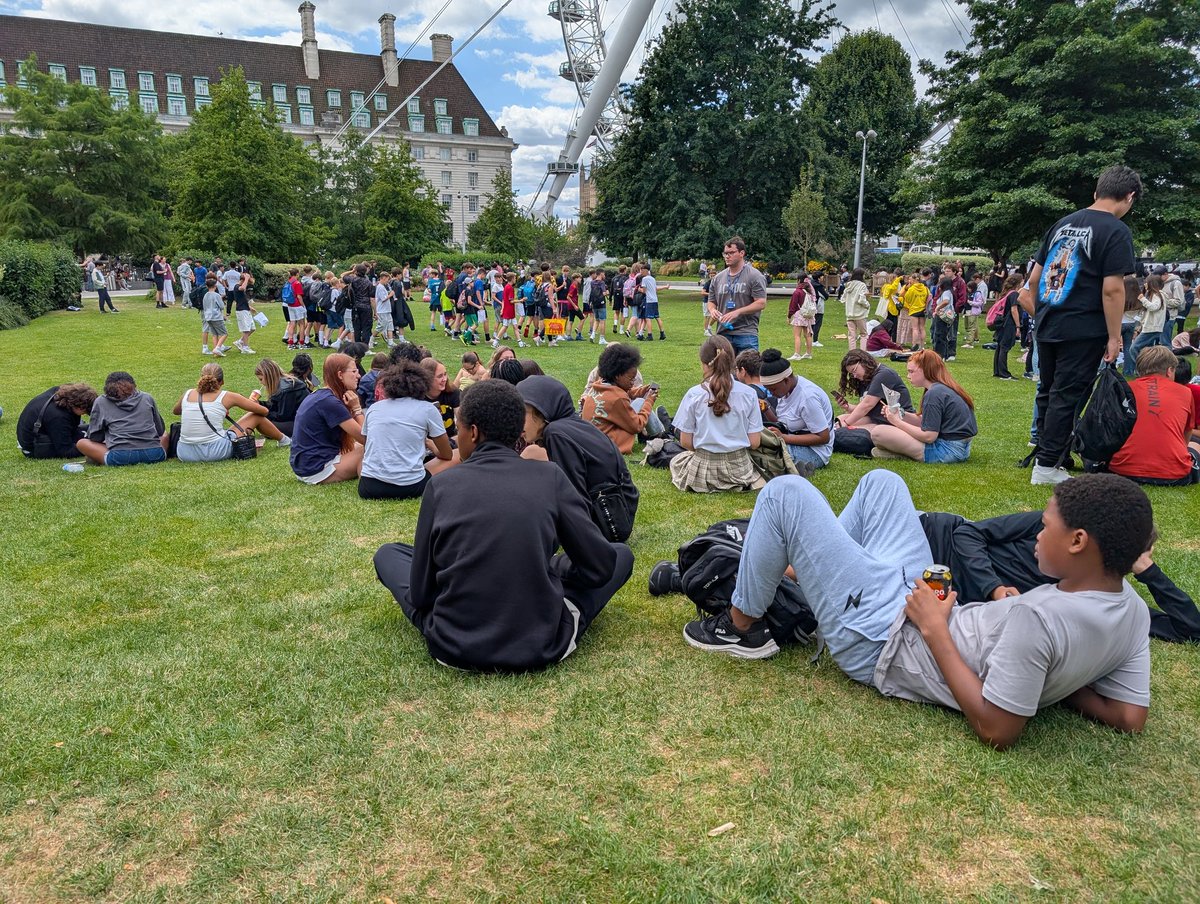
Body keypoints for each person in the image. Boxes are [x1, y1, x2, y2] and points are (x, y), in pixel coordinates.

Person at [684, 470, 1155, 750]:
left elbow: (998, 728)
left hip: (887, 638)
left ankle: (739, 627)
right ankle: (802, 573)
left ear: (1078, 542)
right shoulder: (1133, 611)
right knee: (881, 483)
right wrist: (1052, 678)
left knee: (787, 493)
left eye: (1045, 525)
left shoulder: (1038, 619)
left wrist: (935, 629)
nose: (1037, 533)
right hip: (925, 600)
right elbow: (1129, 717)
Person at [373, 380, 635, 672]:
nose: (457, 439)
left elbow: (421, 595)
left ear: (473, 432)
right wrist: (556, 569)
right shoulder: (550, 476)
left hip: (453, 644)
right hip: (542, 642)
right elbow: (599, 566)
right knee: (620, 555)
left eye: (458, 430)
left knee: (388, 555)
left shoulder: (441, 485)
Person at [1019, 165, 1140, 485]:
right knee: (1067, 395)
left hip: (1049, 322)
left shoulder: (1062, 223)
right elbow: (1113, 289)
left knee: (1048, 391)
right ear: (1129, 197)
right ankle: (1046, 468)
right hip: (1083, 326)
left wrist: (1041, 314)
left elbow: (1033, 279)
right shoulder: (1115, 231)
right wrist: (1115, 337)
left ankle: (1052, 457)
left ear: (1096, 192)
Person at [919, 508, 1200, 643]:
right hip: (931, 536)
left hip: (932, 586)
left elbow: (1190, 629)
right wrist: (994, 589)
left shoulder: (1092, 597)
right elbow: (967, 533)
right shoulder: (1054, 527)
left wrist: (1149, 572)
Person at [518, 375, 640, 539]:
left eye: (522, 413)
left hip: (608, 523)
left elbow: (573, 497)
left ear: (541, 411)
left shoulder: (556, 433)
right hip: (617, 511)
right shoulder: (570, 425)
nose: (516, 422)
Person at [666, 336, 765, 493]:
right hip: (739, 469)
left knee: (677, 461)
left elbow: (686, 443)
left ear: (705, 364)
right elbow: (754, 443)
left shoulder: (694, 394)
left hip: (704, 469)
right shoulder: (749, 394)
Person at [358, 361, 455, 499]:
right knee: (457, 455)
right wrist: (428, 443)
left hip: (369, 487)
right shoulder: (427, 409)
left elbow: (368, 448)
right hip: (411, 486)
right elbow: (447, 455)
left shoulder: (374, 408)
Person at [1107, 347, 1200, 485]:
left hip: (1122, 469)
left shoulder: (1125, 388)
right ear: (1169, 370)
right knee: (1195, 443)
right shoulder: (1184, 392)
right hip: (1174, 474)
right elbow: (1187, 432)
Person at [869, 350, 977, 463]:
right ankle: (900, 453)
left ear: (925, 370)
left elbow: (929, 436)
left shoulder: (934, 393)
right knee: (883, 434)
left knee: (878, 433)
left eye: (911, 371)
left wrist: (897, 422)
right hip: (961, 449)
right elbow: (927, 422)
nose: (908, 376)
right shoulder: (943, 388)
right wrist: (900, 414)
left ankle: (904, 454)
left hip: (946, 451)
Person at [172, 363, 280, 462]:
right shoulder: (228, 396)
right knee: (255, 416)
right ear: (222, 382)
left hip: (185, 453)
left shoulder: (188, 393)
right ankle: (284, 440)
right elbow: (264, 411)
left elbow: (176, 411)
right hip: (215, 452)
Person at [289, 353, 364, 485]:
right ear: (340, 375)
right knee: (370, 449)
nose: (358, 375)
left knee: (360, 446)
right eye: (354, 371)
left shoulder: (322, 396)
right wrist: (357, 409)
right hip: (316, 470)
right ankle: (371, 482)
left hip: (306, 465)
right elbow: (366, 438)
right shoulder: (330, 402)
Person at [756, 349, 833, 473]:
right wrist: (766, 409)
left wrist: (783, 438)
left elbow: (823, 437)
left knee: (764, 452)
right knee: (755, 443)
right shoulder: (785, 390)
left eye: (773, 389)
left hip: (815, 452)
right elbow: (784, 425)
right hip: (793, 442)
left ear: (786, 380)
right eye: (768, 389)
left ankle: (797, 466)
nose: (771, 393)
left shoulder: (807, 397)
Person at [580, 342, 662, 454]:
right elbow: (637, 426)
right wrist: (649, 401)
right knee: (641, 402)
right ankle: (660, 434)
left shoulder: (600, 385)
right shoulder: (618, 398)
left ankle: (659, 432)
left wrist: (644, 390)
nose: (633, 382)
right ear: (617, 375)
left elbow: (628, 392)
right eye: (631, 379)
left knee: (639, 401)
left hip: (594, 440)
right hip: (610, 444)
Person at [75, 372, 168, 466]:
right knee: (165, 435)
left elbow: (95, 437)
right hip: (155, 454)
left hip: (119, 457)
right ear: (134, 385)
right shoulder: (147, 397)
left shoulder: (101, 401)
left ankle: (99, 457)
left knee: (82, 443)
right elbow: (160, 430)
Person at [706, 236, 769, 353]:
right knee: (724, 370)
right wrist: (712, 311)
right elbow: (711, 301)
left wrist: (738, 312)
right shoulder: (718, 278)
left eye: (731, 252)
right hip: (723, 333)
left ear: (742, 253)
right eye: (725, 253)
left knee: (749, 370)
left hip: (746, 333)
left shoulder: (754, 276)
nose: (727, 256)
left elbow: (761, 303)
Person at [833, 350, 915, 440]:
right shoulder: (865, 378)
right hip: (878, 419)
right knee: (840, 419)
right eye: (851, 374)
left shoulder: (884, 374)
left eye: (854, 370)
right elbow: (867, 408)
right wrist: (848, 407)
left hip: (898, 421)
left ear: (864, 362)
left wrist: (846, 424)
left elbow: (867, 405)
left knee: (850, 431)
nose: (854, 376)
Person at [17, 383, 98, 458]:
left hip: (40, 431)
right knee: (89, 442)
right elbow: (66, 451)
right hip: (34, 447)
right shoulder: (59, 417)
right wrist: (93, 450)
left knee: (89, 431)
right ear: (79, 407)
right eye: (84, 412)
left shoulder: (59, 392)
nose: (84, 414)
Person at [248, 357, 306, 441]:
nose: (261, 382)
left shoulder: (286, 389)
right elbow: (274, 405)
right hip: (295, 420)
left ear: (268, 376)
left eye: (261, 379)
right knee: (260, 419)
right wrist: (259, 404)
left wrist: (263, 412)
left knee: (262, 423)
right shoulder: (282, 384)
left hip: (302, 424)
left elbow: (282, 416)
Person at [1128, 273, 1168, 371]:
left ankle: (1141, 369)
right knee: (1148, 351)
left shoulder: (1158, 295)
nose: (1145, 284)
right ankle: (1150, 369)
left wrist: (1143, 299)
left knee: (1133, 348)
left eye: (1146, 282)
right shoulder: (1154, 295)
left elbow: (1154, 307)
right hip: (1150, 327)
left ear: (1151, 284)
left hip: (1152, 328)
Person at [419, 357, 460, 444]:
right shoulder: (417, 398)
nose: (444, 379)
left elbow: (462, 422)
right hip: (427, 443)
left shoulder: (453, 392)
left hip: (451, 439)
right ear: (427, 379)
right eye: (440, 376)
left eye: (445, 374)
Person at [992, 274, 1023, 379]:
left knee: (1000, 347)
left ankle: (997, 370)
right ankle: (1004, 373)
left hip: (1002, 323)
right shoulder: (1014, 294)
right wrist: (1018, 326)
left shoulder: (1006, 293)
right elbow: (1014, 310)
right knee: (1005, 347)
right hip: (1009, 324)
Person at [787, 275, 815, 361]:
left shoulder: (797, 292)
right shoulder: (809, 291)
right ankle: (808, 353)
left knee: (797, 335)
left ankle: (797, 354)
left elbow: (793, 305)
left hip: (799, 314)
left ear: (799, 280)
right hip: (808, 314)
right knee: (808, 335)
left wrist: (789, 316)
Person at [200, 275, 229, 357]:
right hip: (216, 317)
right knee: (224, 333)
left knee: (214, 334)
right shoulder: (217, 295)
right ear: (215, 286)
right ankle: (218, 348)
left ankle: (216, 352)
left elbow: (204, 306)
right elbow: (222, 306)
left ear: (207, 286)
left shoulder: (205, 295)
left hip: (208, 317)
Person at [842, 268, 870, 350]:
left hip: (849, 313)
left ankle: (852, 352)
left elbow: (843, 299)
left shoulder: (848, 285)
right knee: (863, 334)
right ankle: (862, 352)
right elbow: (861, 300)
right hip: (860, 314)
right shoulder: (862, 285)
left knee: (851, 335)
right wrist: (867, 305)